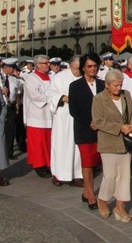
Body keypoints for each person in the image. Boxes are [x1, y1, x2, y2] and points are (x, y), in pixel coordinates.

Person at [92, 69, 132, 223]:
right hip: (108, 143)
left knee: (125, 176)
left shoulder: (126, 95)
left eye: (120, 85)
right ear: (107, 85)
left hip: (125, 143)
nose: (119, 88)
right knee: (110, 175)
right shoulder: (99, 99)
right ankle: (103, 199)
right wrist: (119, 127)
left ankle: (120, 206)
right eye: (115, 86)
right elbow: (98, 121)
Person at [68, 53, 105, 210]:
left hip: (102, 130)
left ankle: (85, 191)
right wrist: (90, 122)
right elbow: (74, 110)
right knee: (87, 162)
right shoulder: (75, 86)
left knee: (97, 161)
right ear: (83, 68)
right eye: (89, 66)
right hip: (84, 129)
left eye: (95, 66)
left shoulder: (103, 84)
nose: (93, 69)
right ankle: (90, 194)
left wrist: (100, 122)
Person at [47, 55, 83, 187]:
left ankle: (78, 175)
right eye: (75, 68)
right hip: (63, 115)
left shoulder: (84, 78)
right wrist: (62, 98)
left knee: (77, 146)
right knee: (62, 145)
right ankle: (58, 174)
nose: (77, 71)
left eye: (80, 68)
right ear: (70, 65)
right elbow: (49, 94)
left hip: (79, 116)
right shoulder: (59, 77)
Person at [24, 55, 54, 178]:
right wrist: (53, 97)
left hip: (51, 114)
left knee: (49, 142)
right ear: (37, 65)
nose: (48, 65)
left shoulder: (52, 77)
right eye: (44, 63)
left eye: (48, 63)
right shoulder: (31, 78)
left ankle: (49, 164)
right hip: (37, 115)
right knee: (38, 143)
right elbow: (35, 96)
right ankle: (39, 165)